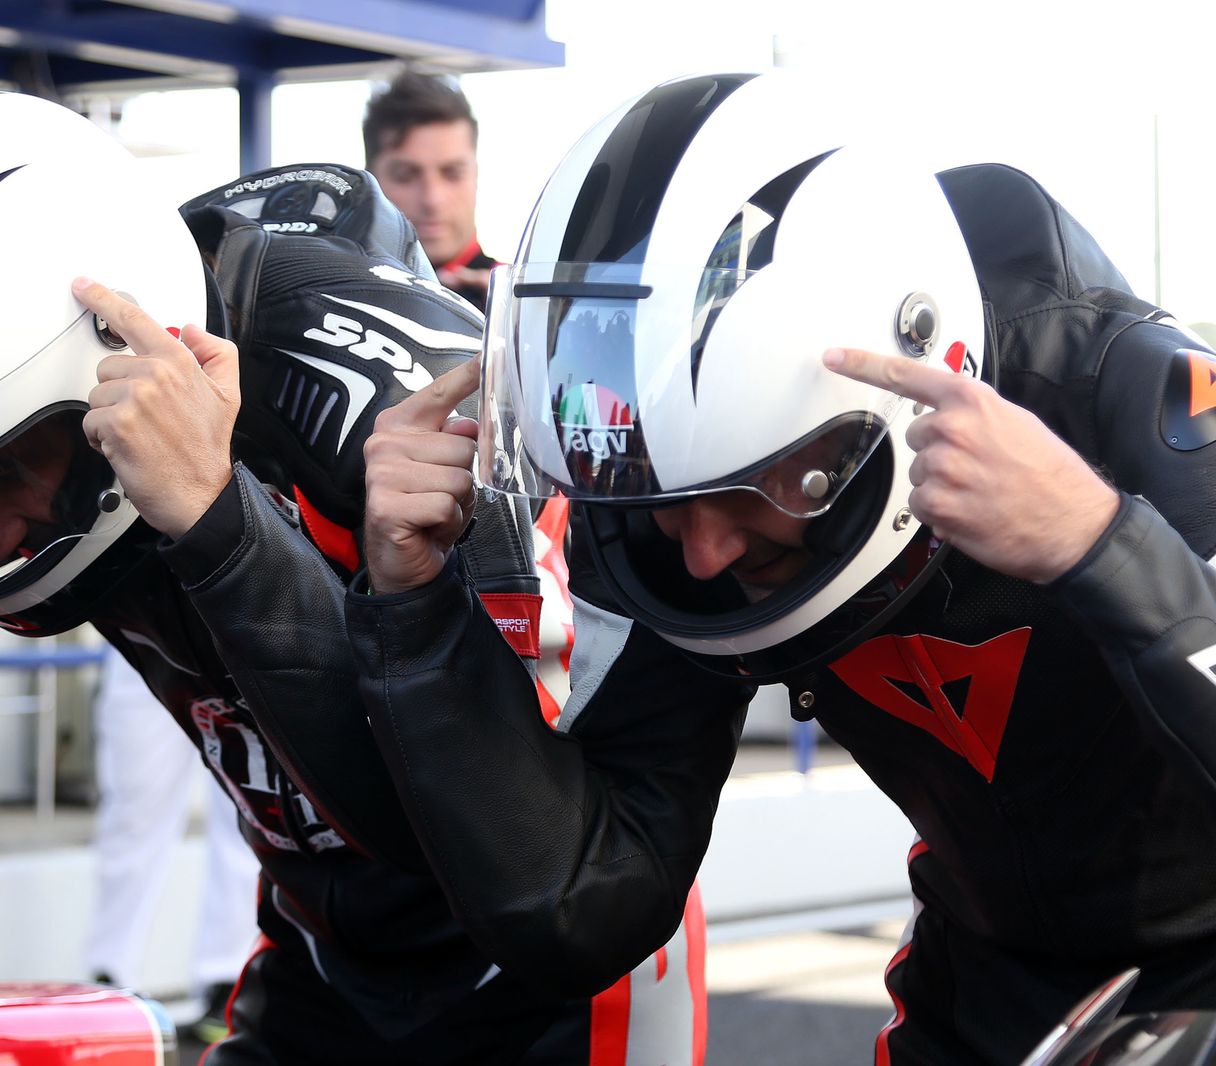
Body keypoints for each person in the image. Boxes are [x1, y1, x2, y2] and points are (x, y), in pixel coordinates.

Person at [0, 90, 703, 1063]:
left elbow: (517, 860)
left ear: (113, 366)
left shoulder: (392, 403)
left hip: (552, 979)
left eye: (2, 470)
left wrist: (216, 521)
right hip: (321, 951)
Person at [349, 69, 1216, 1066]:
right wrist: (410, 610)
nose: (705, 549)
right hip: (984, 978)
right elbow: (583, 907)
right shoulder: (653, 510)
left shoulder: (1120, 394)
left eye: (755, 482)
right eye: (669, 499)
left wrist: (1098, 545)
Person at [84, 644, 258, 1047]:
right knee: (132, 811)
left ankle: (224, 978)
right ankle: (110, 975)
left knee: (244, 811)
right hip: (137, 633)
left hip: (229, 629)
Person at [363, 70, 495, 308]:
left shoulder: (530, 304)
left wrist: (521, 332)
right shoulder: (332, 297)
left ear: (476, 175)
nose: (432, 199)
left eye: (452, 173)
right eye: (405, 176)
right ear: (369, 183)